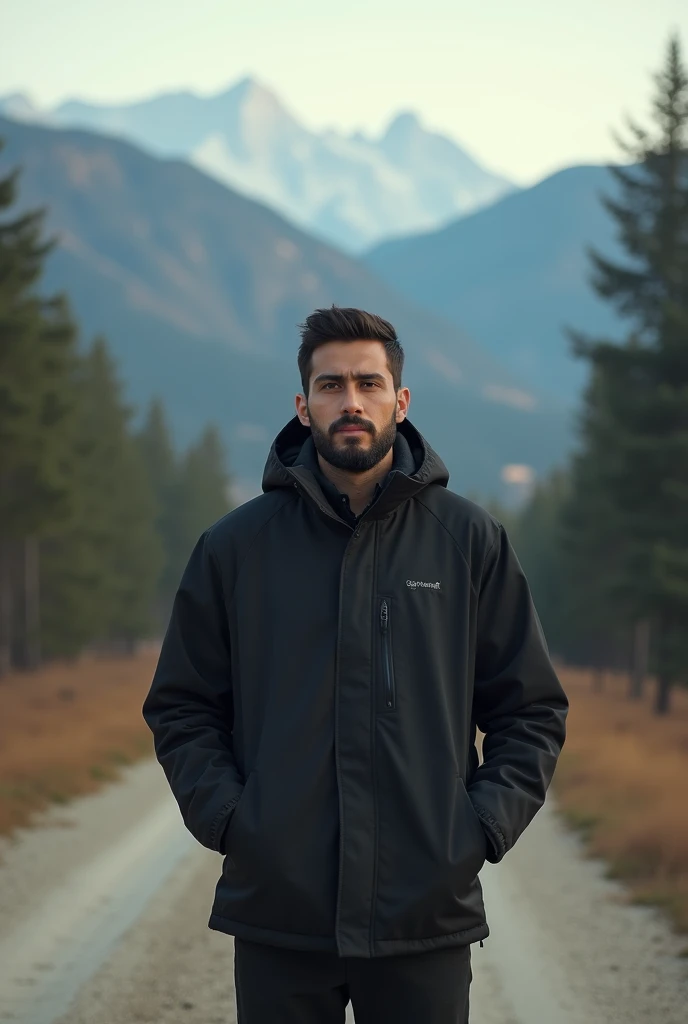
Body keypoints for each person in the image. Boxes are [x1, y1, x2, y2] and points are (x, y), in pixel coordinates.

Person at [142, 305, 568, 1023]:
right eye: (331, 384)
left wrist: (476, 829)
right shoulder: (236, 548)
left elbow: (531, 709)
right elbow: (182, 706)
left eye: (369, 384)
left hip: (423, 911)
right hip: (280, 910)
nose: (351, 402)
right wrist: (235, 822)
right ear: (303, 403)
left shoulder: (468, 541)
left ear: (400, 402)